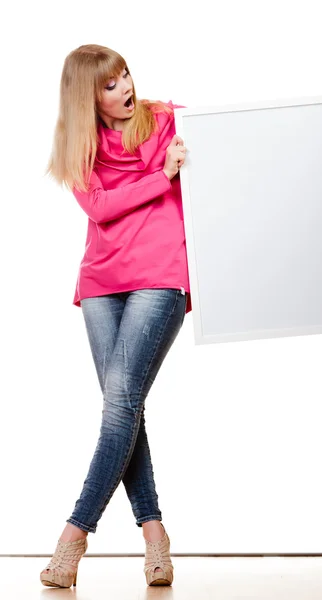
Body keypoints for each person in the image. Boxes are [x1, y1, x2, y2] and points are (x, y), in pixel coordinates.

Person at [40, 43, 192, 589]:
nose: (124, 87)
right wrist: (162, 178)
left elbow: (245, 141)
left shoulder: (165, 118)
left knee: (121, 402)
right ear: (88, 97)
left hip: (160, 273)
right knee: (124, 408)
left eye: (124, 74)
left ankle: (73, 534)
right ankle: (155, 536)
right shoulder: (77, 144)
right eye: (109, 84)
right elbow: (100, 207)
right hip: (102, 282)